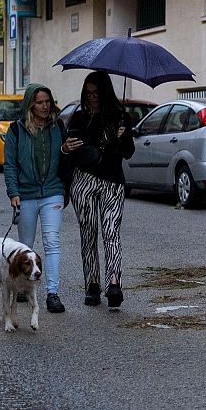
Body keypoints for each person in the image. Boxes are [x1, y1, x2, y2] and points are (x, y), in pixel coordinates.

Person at [63, 71, 136, 310]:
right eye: (88, 93)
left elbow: (128, 152)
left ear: (105, 92)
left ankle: (114, 283)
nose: (92, 97)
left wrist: (123, 136)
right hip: (83, 180)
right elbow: (72, 152)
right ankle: (92, 284)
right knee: (88, 233)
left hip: (113, 181)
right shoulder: (79, 119)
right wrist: (68, 148)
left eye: (96, 93)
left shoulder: (121, 117)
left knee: (111, 232)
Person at [2, 83, 68, 313]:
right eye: (39, 102)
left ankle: (52, 293)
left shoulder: (58, 126)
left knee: (52, 242)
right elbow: (9, 164)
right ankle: (24, 287)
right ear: (30, 105)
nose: (45, 106)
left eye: (47, 101)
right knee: (25, 246)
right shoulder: (17, 130)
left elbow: (66, 158)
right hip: (26, 194)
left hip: (53, 191)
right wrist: (14, 193)